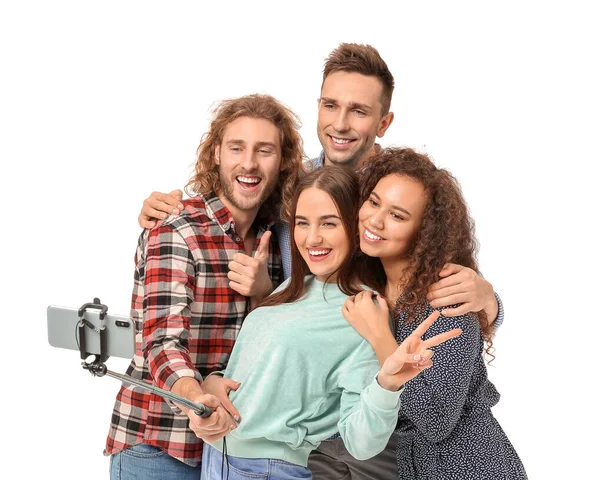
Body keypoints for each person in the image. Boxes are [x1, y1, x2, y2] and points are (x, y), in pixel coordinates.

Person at [135, 43, 505, 480]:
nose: (341, 123)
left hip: (407, 444)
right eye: (331, 105)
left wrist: (491, 303)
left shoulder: (399, 192)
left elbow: (446, 310)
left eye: (359, 110)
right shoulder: (291, 186)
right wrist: (168, 209)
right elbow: (239, 193)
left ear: (383, 122)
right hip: (311, 442)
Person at [199, 166, 462, 480]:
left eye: (329, 223)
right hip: (216, 457)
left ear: (355, 227)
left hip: (266, 470)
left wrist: (387, 385)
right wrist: (214, 382)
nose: (312, 238)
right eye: (302, 223)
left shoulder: (363, 309)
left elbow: (361, 442)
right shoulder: (295, 286)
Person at [104, 94, 306, 480]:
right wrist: (197, 400)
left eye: (264, 150)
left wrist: (264, 292)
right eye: (237, 148)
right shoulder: (177, 228)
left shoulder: (279, 239)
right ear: (216, 154)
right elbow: (162, 343)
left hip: (233, 454)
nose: (248, 163)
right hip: (159, 447)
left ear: (282, 162)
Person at [342, 147, 527, 479]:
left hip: (470, 466)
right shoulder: (376, 288)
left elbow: (436, 420)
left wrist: (381, 337)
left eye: (397, 215)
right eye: (373, 201)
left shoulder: (447, 299)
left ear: (424, 232)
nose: (375, 219)